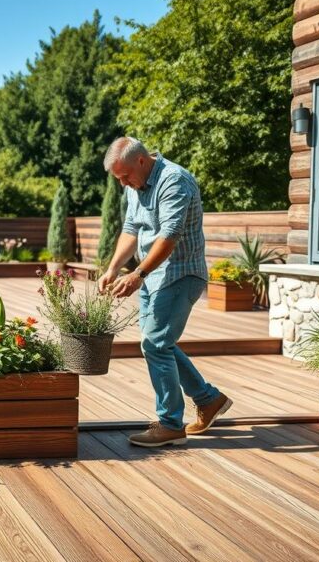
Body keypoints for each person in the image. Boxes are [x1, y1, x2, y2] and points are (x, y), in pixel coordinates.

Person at [98, 137, 232, 448]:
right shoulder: (134, 184)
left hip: (180, 273)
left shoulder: (175, 181)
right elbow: (131, 229)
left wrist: (137, 274)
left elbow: (169, 237)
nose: (123, 183)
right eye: (118, 178)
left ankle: (171, 424)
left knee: (156, 344)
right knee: (160, 344)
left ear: (142, 161)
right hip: (151, 276)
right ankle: (208, 400)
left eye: (125, 176)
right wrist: (113, 268)